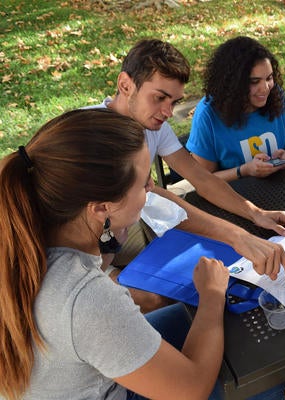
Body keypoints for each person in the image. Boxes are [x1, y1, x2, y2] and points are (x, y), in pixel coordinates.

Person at [0, 109, 231, 400]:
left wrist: (108, 238)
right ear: (101, 208)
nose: (151, 189)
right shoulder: (86, 298)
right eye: (145, 183)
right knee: (246, 373)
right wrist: (212, 295)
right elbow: (191, 389)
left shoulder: (22, 229)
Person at [87, 39, 285, 310]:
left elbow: (200, 178)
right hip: (82, 260)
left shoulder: (153, 125)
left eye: (174, 101)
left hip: (117, 241)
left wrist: (255, 213)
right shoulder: (87, 137)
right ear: (125, 84)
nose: (168, 112)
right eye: (160, 97)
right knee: (159, 299)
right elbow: (154, 198)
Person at [186, 36, 285, 182]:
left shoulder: (277, 96)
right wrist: (244, 170)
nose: (265, 88)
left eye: (269, 78)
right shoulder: (208, 115)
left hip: (280, 187)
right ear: (233, 83)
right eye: (254, 81)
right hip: (233, 197)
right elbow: (203, 181)